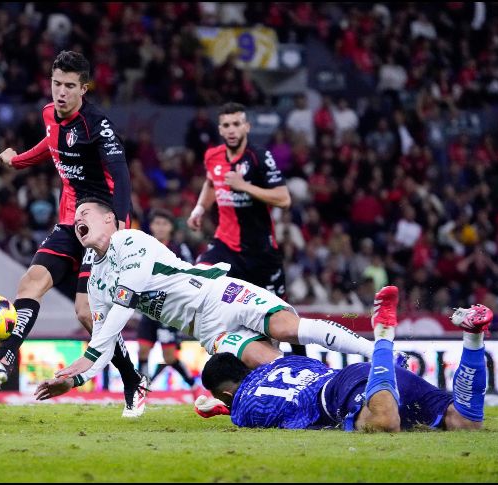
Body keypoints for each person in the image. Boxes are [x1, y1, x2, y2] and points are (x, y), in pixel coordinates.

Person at [32, 200, 382, 408]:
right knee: (271, 364)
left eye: (86, 212)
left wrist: (88, 358)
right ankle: (344, 396)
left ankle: (380, 353)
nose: (78, 218)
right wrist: (76, 380)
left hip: (218, 295)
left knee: (287, 328)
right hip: (207, 330)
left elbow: (123, 308)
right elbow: (107, 343)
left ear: (110, 219)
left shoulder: (131, 241)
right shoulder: (95, 283)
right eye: (75, 215)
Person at [0, 50, 147, 417]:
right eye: (57, 84)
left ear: (83, 89)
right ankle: (3, 358)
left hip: (101, 225)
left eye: (70, 86)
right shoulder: (47, 114)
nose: (61, 92)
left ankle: (132, 379)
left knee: (86, 313)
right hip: (69, 220)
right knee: (30, 283)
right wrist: (18, 160)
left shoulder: (96, 125)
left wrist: (119, 225)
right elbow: (51, 146)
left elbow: (120, 174)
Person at [198, 286, 490, 432]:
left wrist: (225, 410)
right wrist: (223, 406)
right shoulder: (284, 362)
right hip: (353, 377)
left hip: (340, 396)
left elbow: (251, 409)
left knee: (385, 423)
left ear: (227, 394)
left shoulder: (244, 410)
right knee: (464, 421)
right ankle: (473, 337)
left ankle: (384, 337)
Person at [186, 102, 307, 356]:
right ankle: (221, 346)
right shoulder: (213, 156)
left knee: (282, 316)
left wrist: (245, 186)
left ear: (247, 127)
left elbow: (283, 199)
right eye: (226, 125)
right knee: (198, 278)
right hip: (225, 246)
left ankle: (302, 361)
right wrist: (199, 208)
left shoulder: (259, 157)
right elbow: (211, 182)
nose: (231, 130)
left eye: (237, 124)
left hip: (261, 252)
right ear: (220, 129)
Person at [136, 208, 199, 394]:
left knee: (169, 357)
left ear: (171, 227)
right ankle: (142, 388)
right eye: (157, 223)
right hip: (148, 307)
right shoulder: (143, 248)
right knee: (142, 350)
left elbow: (190, 275)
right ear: (152, 226)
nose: (161, 227)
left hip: (169, 309)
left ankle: (193, 385)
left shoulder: (180, 249)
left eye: (165, 224)